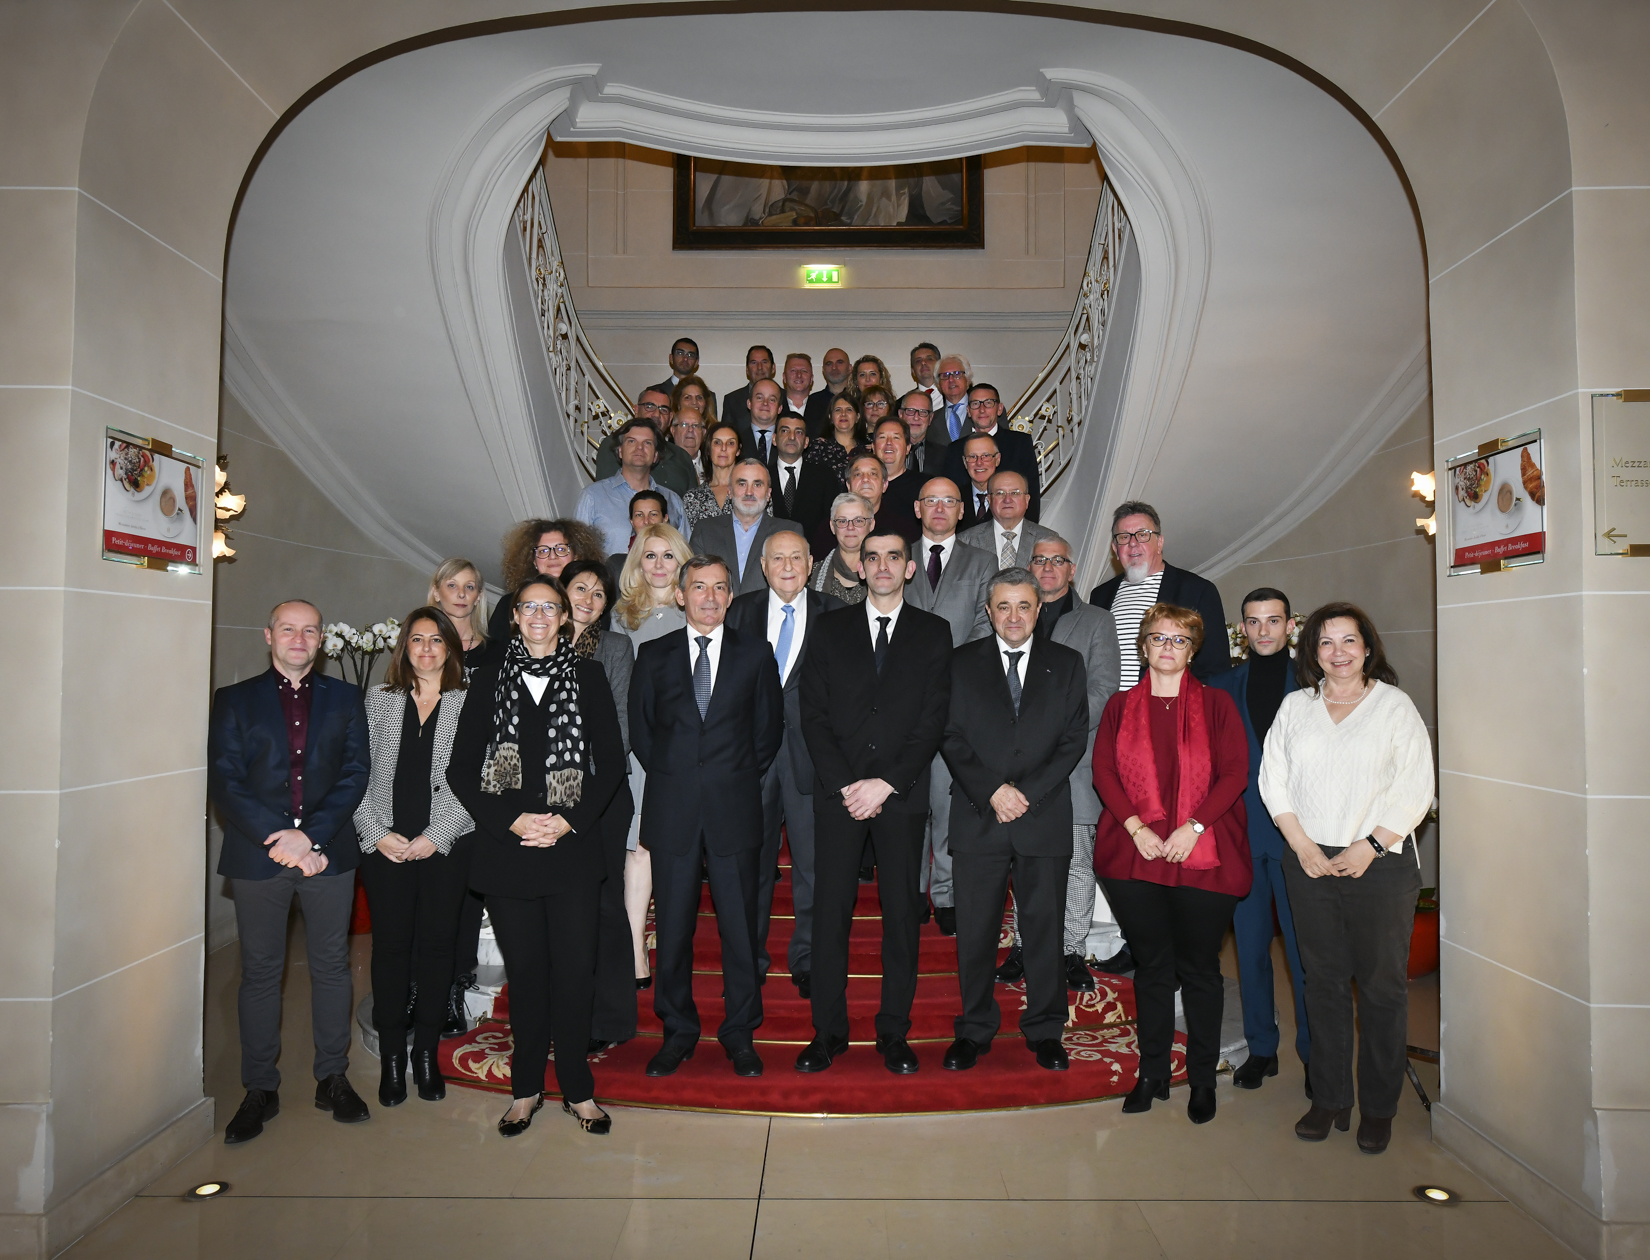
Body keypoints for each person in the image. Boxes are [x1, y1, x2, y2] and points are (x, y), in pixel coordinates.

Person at [447, 577, 626, 1137]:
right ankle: (525, 1089)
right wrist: (513, 820)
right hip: (509, 852)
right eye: (530, 607)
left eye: (552, 607)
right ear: (516, 617)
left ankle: (577, 1089)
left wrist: (569, 821)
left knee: (574, 973)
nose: (541, 616)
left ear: (565, 618)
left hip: (572, 851)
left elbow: (612, 764)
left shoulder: (589, 676)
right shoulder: (486, 680)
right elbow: (460, 770)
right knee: (526, 976)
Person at [1260, 602, 1434, 1155]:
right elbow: (1273, 779)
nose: (1338, 652)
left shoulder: (1394, 706)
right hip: (1309, 861)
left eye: (1348, 640)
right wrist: (1302, 845)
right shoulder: (1296, 707)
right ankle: (1330, 1097)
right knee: (1323, 983)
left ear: (1367, 647)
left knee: (1381, 989)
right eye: (1326, 642)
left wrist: (1371, 845)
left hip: (1380, 863)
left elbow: (1416, 785)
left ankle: (1379, 1107)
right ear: (1312, 652)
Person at [207, 599, 372, 1144]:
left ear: (322, 640)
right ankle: (260, 1088)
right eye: (287, 629)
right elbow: (225, 780)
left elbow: (355, 773)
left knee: (331, 967)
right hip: (259, 855)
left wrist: (311, 837)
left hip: (328, 853)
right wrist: (283, 839)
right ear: (268, 635)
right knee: (259, 973)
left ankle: (333, 1077)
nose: (298, 639)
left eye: (309, 631)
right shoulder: (234, 700)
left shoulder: (346, 698)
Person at [796, 531, 952, 1074]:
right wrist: (848, 785)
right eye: (872, 558)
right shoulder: (829, 628)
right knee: (830, 913)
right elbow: (812, 714)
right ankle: (828, 1032)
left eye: (893, 557)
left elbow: (933, 718)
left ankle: (893, 1032)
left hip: (901, 797)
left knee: (902, 915)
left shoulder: (934, 632)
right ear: (859, 568)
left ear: (909, 568)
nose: (882, 565)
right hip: (839, 796)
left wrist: (886, 783)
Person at [1092, 604, 1252, 1125]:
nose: (1167, 647)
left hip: (1202, 853)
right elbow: (1104, 772)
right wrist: (1137, 828)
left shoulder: (1217, 704)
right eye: (1158, 638)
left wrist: (1193, 827)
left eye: (1179, 640)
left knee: (1200, 970)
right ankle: (1153, 1073)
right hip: (1135, 853)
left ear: (1192, 650)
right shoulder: (1119, 706)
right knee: (1152, 968)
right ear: (1143, 647)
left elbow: (1235, 773)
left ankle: (1201, 1078)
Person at [630, 557, 784, 1079]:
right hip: (672, 810)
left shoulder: (755, 654)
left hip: (733, 809)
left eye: (720, 587)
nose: (710, 597)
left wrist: (726, 777)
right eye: (699, 587)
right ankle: (678, 1031)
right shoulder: (653, 655)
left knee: (740, 931)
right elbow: (643, 734)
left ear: (731, 596)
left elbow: (767, 732)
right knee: (673, 930)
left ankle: (740, 1032)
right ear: (681, 595)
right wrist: (682, 778)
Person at [941, 569, 1090, 1072]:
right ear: (988, 611)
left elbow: (1073, 739)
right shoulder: (961, 663)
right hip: (978, 814)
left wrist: (1025, 793)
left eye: (1023, 606)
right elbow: (949, 734)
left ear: (1039, 609)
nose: (1013, 616)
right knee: (976, 931)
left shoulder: (1066, 664)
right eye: (1003, 606)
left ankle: (1046, 1029)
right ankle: (974, 1029)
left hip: (1042, 815)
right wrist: (993, 791)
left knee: (1044, 930)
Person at [353, 606, 474, 1106]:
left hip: (445, 845)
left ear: (451, 648)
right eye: (417, 639)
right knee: (390, 948)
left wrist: (436, 834)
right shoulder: (379, 700)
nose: (426, 648)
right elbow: (355, 772)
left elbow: (482, 777)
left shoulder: (472, 702)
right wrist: (375, 832)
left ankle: (426, 1054)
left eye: (436, 640)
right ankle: (392, 1059)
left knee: (438, 948)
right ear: (404, 646)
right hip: (387, 846)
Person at [996, 535, 1121, 992]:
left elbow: (1104, 689)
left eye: (1058, 560)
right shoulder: (1011, 618)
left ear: (1072, 569)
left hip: (1076, 763)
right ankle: (1024, 945)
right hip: (1015, 769)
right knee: (1022, 859)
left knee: (1076, 863)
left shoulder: (1097, 621)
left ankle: (1070, 950)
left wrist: (1050, 732)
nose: (1048, 567)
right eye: (1040, 559)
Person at [726, 531, 845, 999]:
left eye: (797, 557)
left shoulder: (836, 614)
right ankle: (747, 960)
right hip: (748, 760)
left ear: (811, 563)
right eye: (779, 558)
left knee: (813, 865)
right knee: (748, 865)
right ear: (763, 565)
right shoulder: (739, 612)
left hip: (811, 758)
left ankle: (809, 959)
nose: (789, 566)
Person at [1208, 588, 1311, 1094]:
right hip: (1243, 835)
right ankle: (1262, 1048)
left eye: (1273, 620)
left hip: (1300, 840)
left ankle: (1315, 1055)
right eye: (1253, 621)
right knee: (1248, 950)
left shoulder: (1314, 684)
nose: (1263, 630)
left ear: (1290, 625)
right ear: (1241, 629)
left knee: (1304, 954)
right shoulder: (1221, 687)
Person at [902, 476, 995, 935]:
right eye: (931, 500)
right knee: (909, 802)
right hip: (904, 703)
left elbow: (985, 624)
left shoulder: (983, 561)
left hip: (958, 701)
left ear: (962, 510)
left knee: (946, 801)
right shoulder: (897, 556)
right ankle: (911, 891)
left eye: (949, 501)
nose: (939, 508)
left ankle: (945, 893)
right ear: (917, 508)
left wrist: (947, 671)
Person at [561, 560, 640, 1051]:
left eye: (598, 593)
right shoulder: (533, 644)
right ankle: (561, 1013)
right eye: (579, 589)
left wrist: (573, 779)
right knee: (559, 909)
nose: (588, 600)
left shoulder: (614, 647)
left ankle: (607, 1021)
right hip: (543, 801)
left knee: (606, 905)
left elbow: (620, 727)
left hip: (602, 793)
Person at [612, 523, 693, 987]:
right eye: (650, 555)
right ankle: (635, 949)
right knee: (639, 848)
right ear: (637, 563)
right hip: (640, 750)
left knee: (678, 849)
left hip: (687, 750)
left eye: (668, 556)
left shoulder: (697, 613)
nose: (659, 565)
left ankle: (673, 943)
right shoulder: (621, 618)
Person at [1089, 501, 1231, 683]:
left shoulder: (1197, 590)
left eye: (1142, 535)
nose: (1133, 543)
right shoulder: (1100, 596)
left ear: (1159, 543)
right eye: (1124, 537)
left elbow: (1215, 670)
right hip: (1108, 701)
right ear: (1115, 549)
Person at [690, 457, 800, 597]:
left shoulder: (789, 532)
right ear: (730, 491)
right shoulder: (705, 530)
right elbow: (694, 583)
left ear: (768, 494)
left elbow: (793, 586)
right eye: (742, 484)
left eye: (757, 484)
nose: (749, 492)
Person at [577, 418, 688, 557]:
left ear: (655, 456)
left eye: (647, 443)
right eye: (631, 441)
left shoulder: (673, 501)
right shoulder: (592, 497)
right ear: (620, 451)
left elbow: (686, 556)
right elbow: (578, 553)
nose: (639, 447)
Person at [487, 517, 608, 642]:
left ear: (576, 556)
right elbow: (492, 651)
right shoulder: (509, 604)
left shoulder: (591, 605)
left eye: (561, 549)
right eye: (543, 551)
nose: (552, 556)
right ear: (534, 561)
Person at [943, 383, 1041, 522]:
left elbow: (1031, 493)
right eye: (975, 404)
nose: (982, 409)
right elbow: (950, 495)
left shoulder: (1020, 443)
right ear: (968, 411)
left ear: (999, 408)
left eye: (988, 403)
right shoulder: (955, 448)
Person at [592, 388, 697, 495]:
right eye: (649, 407)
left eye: (663, 410)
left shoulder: (682, 456)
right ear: (636, 410)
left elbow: (694, 502)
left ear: (670, 418)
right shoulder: (615, 444)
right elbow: (607, 495)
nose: (657, 414)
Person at [959, 470, 1054, 567]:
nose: (1007, 500)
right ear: (989, 500)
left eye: (1015, 493)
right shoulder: (965, 542)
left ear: (1026, 500)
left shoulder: (1048, 539)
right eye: (1000, 493)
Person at [770, 410, 835, 539]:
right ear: (774, 439)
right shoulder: (762, 476)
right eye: (785, 431)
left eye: (798, 432)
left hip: (813, 549)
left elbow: (831, 520)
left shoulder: (825, 476)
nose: (792, 437)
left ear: (806, 442)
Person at [808, 491, 875, 605]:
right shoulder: (810, 575)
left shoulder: (884, 573)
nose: (850, 527)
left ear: (871, 525)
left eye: (858, 520)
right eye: (842, 521)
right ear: (832, 527)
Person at [428, 557, 491, 665]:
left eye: (469, 587)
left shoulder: (496, 652)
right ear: (436, 593)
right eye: (452, 585)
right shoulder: (422, 646)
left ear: (478, 597)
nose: (462, 594)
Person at [682, 421, 744, 531]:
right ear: (709, 449)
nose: (723, 448)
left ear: (738, 450)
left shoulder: (751, 492)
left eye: (730, 443)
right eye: (717, 442)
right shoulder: (693, 497)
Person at [605, 489, 668, 588]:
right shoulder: (617, 565)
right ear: (632, 521)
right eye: (639, 515)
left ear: (665, 519)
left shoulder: (677, 559)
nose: (646, 521)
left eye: (653, 514)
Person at [649, 336, 717, 418]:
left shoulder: (709, 396)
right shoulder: (653, 392)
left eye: (690, 355)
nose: (685, 358)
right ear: (671, 358)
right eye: (680, 353)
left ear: (696, 362)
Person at [805, 392, 865, 485]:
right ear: (830, 417)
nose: (843, 414)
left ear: (857, 417)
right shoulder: (818, 448)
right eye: (838, 410)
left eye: (849, 410)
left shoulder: (867, 450)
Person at [874, 415, 922, 522]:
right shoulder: (862, 484)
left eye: (896, 438)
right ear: (873, 447)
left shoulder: (924, 487)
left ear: (908, 448)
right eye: (882, 437)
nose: (889, 443)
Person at [722, 344, 775, 434]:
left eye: (764, 362)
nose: (759, 367)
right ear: (747, 369)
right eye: (754, 363)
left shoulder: (785, 397)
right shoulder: (732, 400)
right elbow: (726, 435)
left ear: (773, 368)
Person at [955, 433, 1000, 530]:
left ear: (997, 459)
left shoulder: (1010, 499)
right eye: (972, 457)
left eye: (986, 456)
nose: (979, 463)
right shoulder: (954, 498)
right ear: (965, 462)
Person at [898, 389, 947, 476]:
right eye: (910, 411)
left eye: (923, 412)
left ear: (930, 418)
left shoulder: (944, 455)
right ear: (900, 414)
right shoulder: (888, 450)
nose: (916, 417)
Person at [805, 346, 853, 436]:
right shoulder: (813, 401)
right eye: (829, 364)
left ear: (850, 368)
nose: (834, 367)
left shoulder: (858, 399)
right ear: (823, 370)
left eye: (840, 362)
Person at [739, 376, 785, 465]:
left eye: (772, 399)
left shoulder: (788, 441)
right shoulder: (737, 440)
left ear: (779, 408)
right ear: (749, 404)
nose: (765, 403)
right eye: (759, 398)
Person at [933, 353, 972, 443]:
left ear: (967, 380)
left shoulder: (985, 411)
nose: (950, 379)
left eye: (957, 373)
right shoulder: (931, 420)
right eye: (945, 375)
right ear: (938, 384)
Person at [670, 407, 707, 479]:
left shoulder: (713, 467)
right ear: (673, 431)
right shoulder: (662, 466)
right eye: (684, 424)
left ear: (703, 432)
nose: (690, 430)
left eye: (696, 425)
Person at [909, 341, 944, 413]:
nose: (923, 363)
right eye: (918, 361)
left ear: (939, 366)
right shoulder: (899, 404)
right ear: (913, 371)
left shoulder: (954, 395)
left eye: (929, 359)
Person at [780, 352, 815, 418]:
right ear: (784, 377)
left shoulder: (824, 408)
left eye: (804, 371)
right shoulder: (774, 407)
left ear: (811, 379)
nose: (799, 375)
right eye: (793, 370)